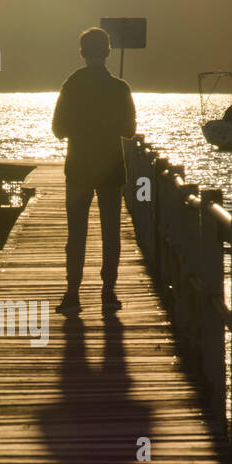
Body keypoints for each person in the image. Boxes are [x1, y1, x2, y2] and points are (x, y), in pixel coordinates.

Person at [51, 27, 136, 313]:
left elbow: (58, 130)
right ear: (108, 52)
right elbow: (129, 130)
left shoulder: (72, 84)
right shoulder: (120, 88)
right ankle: (108, 292)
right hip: (111, 168)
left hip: (78, 168)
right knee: (111, 232)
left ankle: (72, 293)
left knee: (76, 233)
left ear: (82, 52)